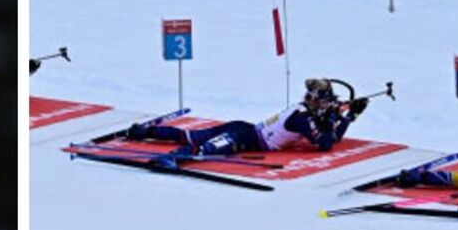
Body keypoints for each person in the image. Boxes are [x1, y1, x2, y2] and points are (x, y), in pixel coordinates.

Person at [126, 77, 367, 158]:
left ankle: (145, 132)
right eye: (321, 99)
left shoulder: (307, 113)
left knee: (190, 136)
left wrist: (344, 115)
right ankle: (164, 147)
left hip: (249, 131)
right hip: (249, 136)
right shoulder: (302, 116)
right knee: (203, 144)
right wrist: (342, 118)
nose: (324, 103)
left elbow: (327, 134)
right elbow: (325, 143)